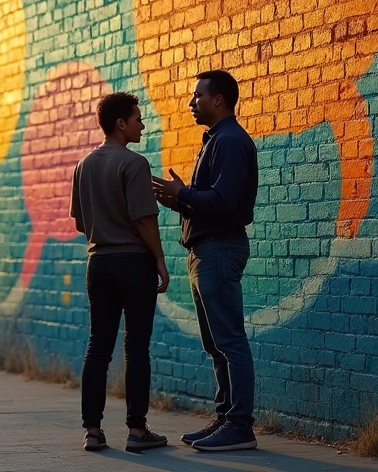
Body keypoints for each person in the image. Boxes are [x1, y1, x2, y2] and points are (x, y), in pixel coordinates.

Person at [152, 70, 259, 452]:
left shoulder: (229, 141)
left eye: (197, 96)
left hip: (219, 250)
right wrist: (179, 199)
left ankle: (240, 426)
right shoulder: (216, 139)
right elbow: (211, 200)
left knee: (229, 341)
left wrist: (183, 194)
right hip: (206, 250)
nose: (191, 103)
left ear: (218, 100)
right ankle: (226, 418)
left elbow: (224, 202)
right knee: (216, 345)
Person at [71, 93, 170, 453]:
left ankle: (93, 432)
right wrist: (159, 260)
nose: (142, 125)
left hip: (98, 263)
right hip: (133, 263)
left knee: (98, 346)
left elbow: (81, 223)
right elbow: (144, 219)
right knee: (136, 346)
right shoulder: (134, 163)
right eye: (138, 119)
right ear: (120, 124)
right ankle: (137, 432)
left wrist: (105, 231)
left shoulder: (83, 165)